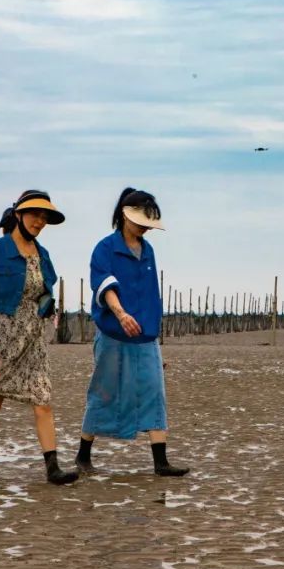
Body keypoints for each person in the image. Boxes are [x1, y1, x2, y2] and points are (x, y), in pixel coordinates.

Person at [0, 190, 79, 485]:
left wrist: (48, 304)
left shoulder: (42, 254)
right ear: (18, 215)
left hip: (33, 336)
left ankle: (53, 468)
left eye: (45, 217)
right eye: (35, 214)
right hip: (3, 334)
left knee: (43, 399)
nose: (40, 221)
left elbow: (45, 290)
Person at [74, 188, 189, 477]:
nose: (145, 228)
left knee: (154, 391)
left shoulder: (148, 251)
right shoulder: (105, 248)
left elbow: (150, 293)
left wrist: (153, 331)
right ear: (125, 215)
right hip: (113, 333)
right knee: (103, 392)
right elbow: (104, 284)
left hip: (145, 335)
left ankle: (160, 461)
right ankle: (83, 454)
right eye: (141, 222)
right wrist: (121, 314)